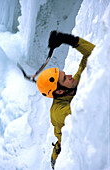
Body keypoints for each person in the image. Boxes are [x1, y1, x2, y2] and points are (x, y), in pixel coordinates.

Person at [37, 31, 95, 169]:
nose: (70, 75)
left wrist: (70, 40)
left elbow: (94, 56)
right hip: (63, 159)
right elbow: (86, 113)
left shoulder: (71, 85)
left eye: (64, 74)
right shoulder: (59, 112)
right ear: (60, 91)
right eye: (64, 78)